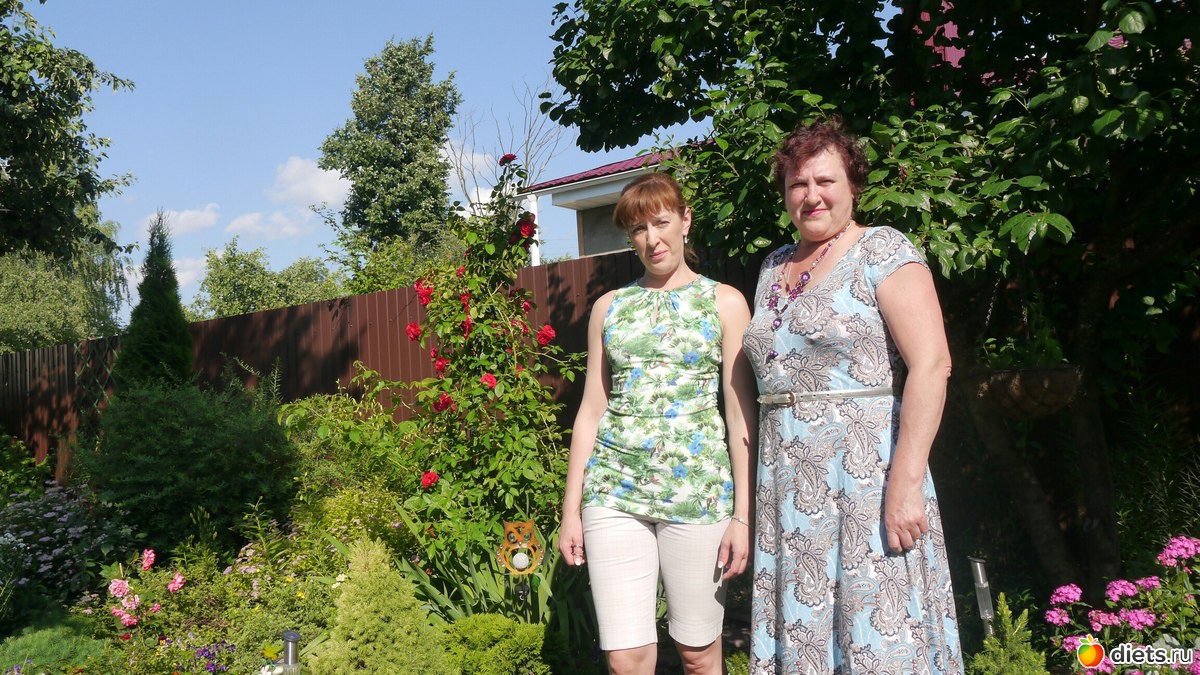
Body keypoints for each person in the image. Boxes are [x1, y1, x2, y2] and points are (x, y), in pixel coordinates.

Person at [742, 117, 963, 674]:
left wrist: (905, 483)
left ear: (853, 185)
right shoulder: (773, 266)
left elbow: (932, 365)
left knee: (877, 629)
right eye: (797, 184)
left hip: (867, 479)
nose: (811, 195)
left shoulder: (881, 249)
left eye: (825, 181)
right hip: (788, 488)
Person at [558, 173, 758, 675]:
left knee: (698, 654)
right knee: (626, 658)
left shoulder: (725, 302)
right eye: (639, 229)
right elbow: (591, 410)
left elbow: (739, 411)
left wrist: (743, 514)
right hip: (614, 493)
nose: (652, 239)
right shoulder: (609, 308)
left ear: (685, 221)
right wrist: (571, 510)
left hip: (699, 493)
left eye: (662, 222)